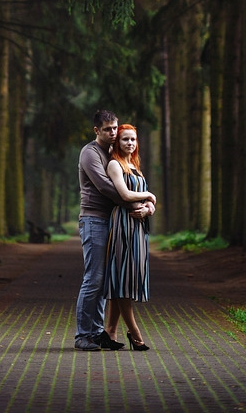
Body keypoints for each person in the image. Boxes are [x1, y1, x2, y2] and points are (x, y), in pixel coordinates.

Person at [74, 110, 156, 351]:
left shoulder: (113, 153)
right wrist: (138, 204)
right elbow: (106, 188)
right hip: (93, 220)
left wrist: (147, 208)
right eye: (108, 129)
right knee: (94, 279)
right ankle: (83, 335)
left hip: (112, 222)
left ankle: (99, 333)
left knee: (106, 280)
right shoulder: (90, 153)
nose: (113, 132)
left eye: (115, 128)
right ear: (96, 130)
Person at [104, 124, 155, 351]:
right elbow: (124, 194)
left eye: (133, 139)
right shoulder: (114, 165)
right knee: (122, 278)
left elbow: (147, 203)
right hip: (123, 225)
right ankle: (135, 334)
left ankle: (109, 333)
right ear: (117, 142)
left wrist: (149, 209)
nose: (130, 143)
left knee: (127, 279)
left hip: (138, 228)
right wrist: (150, 195)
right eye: (125, 139)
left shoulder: (134, 165)